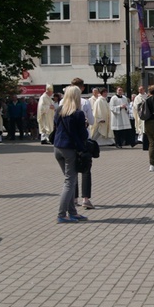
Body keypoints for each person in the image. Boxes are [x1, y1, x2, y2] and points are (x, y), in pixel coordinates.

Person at [53, 86, 89, 223]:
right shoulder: (78, 113)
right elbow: (83, 134)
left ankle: (72, 212)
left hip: (58, 148)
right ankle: (61, 214)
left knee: (70, 180)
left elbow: (55, 126)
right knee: (69, 182)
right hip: (69, 149)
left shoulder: (59, 110)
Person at [71, 78, 95, 210]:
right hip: (83, 139)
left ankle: (74, 199)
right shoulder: (84, 102)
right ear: (82, 88)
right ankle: (85, 199)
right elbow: (91, 121)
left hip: (69, 141)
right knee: (86, 169)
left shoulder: (63, 102)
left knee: (72, 170)